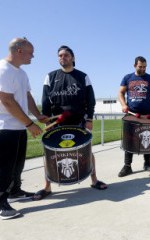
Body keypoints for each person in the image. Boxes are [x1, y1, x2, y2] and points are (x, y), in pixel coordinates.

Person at [34, 45, 107, 200]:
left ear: (73, 58)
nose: (62, 57)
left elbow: (90, 100)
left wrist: (89, 118)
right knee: (49, 154)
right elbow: (45, 100)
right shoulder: (51, 76)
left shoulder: (83, 76)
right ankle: (47, 187)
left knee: (88, 151)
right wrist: (46, 117)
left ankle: (94, 180)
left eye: (66, 55)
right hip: (57, 124)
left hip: (78, 122)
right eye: (60, 55)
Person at [0, 38, 46, 219]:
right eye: (31, 52)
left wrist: (37, 116)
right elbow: (7, 100)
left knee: (17, 163)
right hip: (2, 126)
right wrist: (30, 124)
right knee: (3, 165)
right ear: (19, 51)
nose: (33, 56)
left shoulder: (21, 73)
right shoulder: (1, 70)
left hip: (18, 127)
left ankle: (15, 192)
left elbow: (27, 96)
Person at [118, 56, 150, 177]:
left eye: (145, 67)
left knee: (148, 138)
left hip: (147, 114)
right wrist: (123, 104)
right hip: (131, 113)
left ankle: (147, 163)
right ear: (134, 65)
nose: (143, 69)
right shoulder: (127, 78)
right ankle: (127, 166)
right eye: (140, 66)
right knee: (128, 139)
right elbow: (121, 93)